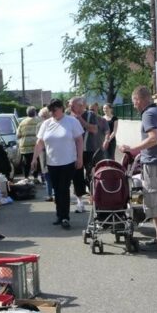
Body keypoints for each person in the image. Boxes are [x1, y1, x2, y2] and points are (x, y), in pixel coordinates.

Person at [119, 86, 157, 252]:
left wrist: (132, 149)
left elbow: (154, 138)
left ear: (139, 99)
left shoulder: (148, 114)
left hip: (154, 164)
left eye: (134, 102)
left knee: (155, 202)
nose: (134, 105)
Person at [31, 98, 84, 229]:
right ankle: (59, 215)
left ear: (61, 108)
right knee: (56, 190)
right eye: (50, 111)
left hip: (68, 162)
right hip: (52, 163)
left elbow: (79, 140)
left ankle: (65, 217)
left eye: (54, 110)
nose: (52, 113)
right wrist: (34, 159)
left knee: (63, 189)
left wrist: (80, 158)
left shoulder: (72, 121)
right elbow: (40, 143)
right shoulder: (46, 124)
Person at [69, 96, 100, 213]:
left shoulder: (91, 115)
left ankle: (94, 197)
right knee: (76, 176)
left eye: (73, 105)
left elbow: (94, 130)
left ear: (81, 105)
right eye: (70, 105)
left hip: (89, 150)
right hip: (75, 151)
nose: (70, 107)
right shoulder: (68, 117)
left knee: (91, 175)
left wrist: (80, 120)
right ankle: (80, 202)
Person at [37, 107, 55, 201]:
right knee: (47, 174)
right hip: (44, 153)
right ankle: (50, 194)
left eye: (46, 116)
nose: (44, 118)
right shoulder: (39, 125)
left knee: (52, 174)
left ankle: (53, 193)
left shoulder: (54, 124)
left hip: (52, 152)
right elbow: (38, 141)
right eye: (43, 116)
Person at [17, 107, 39, 180]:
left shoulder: (22, 122)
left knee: (26, 162)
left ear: (27, 113)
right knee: (36, 161)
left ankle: (26, 177)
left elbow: (18, 135)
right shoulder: (38, 121)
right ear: (35, 113)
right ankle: (35, 177)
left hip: (25, 146)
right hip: (36, 145)